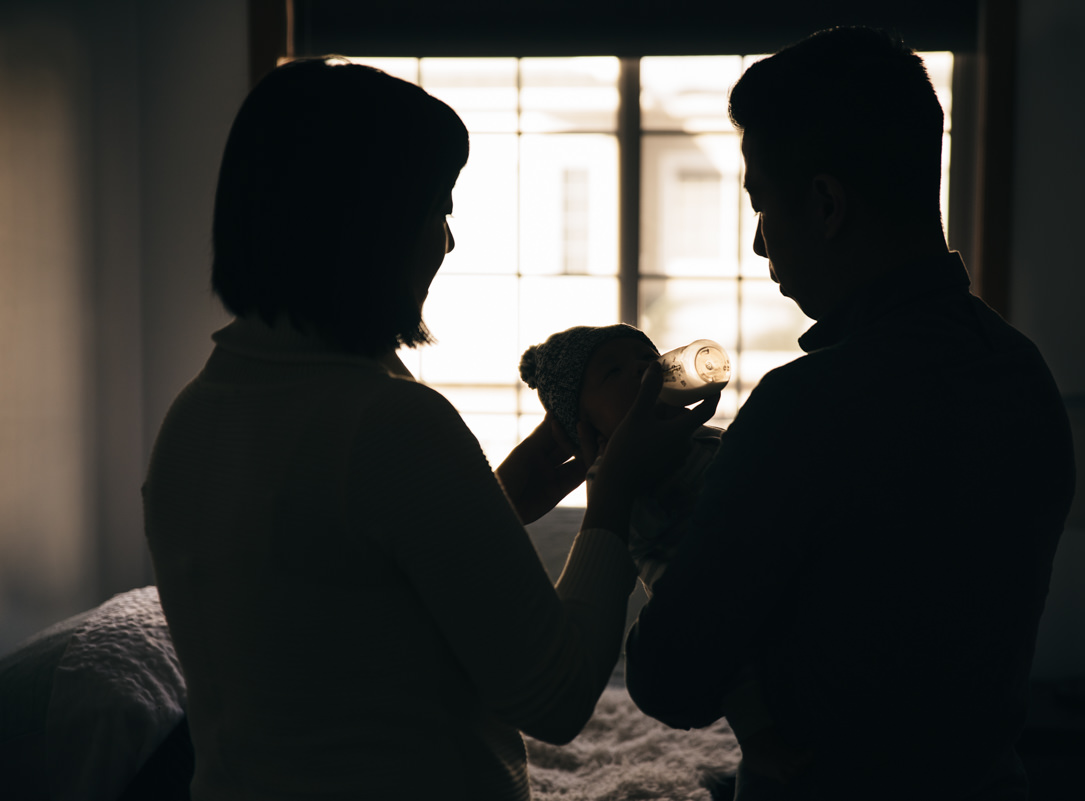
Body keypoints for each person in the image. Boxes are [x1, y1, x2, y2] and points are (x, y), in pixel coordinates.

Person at [142, 58, 715, 801]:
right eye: (436, 209)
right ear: (370, 226)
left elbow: (343, 615)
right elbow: (558, 694)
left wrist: (498, 499)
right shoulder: (386, 422)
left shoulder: (196, 416)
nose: (447, 242)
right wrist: (614, 488)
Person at [623, 27, 1076, 800]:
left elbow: (672, 680)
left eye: (763, 205)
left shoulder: (809, 403)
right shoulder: (1022, 372)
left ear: (827, 204)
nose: (762, 242)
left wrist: (625, 497)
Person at [519, 323, 724, 593]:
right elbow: (633, 534)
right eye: (613, 371)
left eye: (649, 359)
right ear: (586, 425)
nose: (644, 369)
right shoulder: (609, 472)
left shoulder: (701, 432)